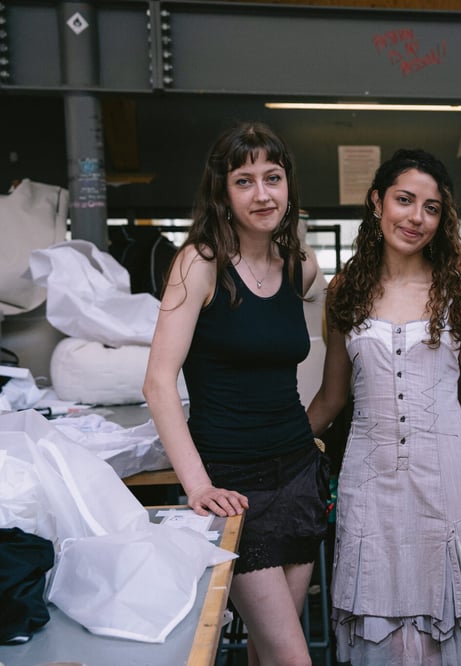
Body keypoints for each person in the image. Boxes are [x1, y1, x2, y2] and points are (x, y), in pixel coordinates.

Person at [143, 121, 325, 666]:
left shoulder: (300, 266)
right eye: (244, 181)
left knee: (268, 654)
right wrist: (197, 485)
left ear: (289, 185)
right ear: (222, 192)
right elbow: (158, 381)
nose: (262, 194)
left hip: (299, 476)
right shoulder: (200, 263)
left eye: (273, 177)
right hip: (234, 488)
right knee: (292, 658)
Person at [307, 149, 461, 664]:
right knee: (379, 628)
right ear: (377, 202)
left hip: (449, 480)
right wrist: (275, 447)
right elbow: (331, 397)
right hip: (369, 483)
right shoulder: (345, 292)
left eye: (431, 208)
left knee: (444, 630)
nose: (416, 218)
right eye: (404, 200)